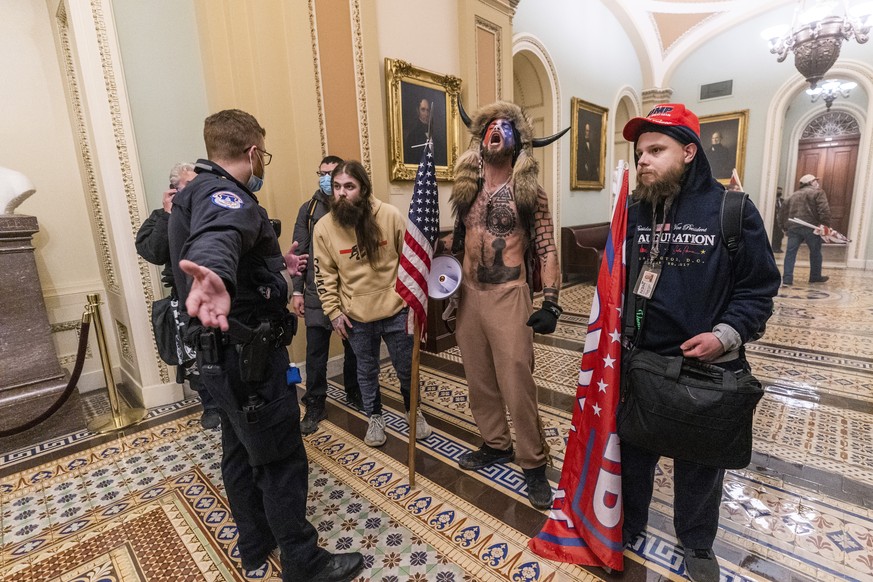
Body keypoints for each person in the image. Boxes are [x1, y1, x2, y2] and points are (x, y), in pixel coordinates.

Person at [167, 109, 363, 582]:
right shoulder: (224, 196)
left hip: (220, 360)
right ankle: (303, 561)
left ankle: (255, 545)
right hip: (249, 361)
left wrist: (278, 268)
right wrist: (214, 273)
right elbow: (220, 235)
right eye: (263, 155)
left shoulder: (189, 194)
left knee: (237, 450)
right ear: (253, 152)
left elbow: (232, 248)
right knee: (280, 460)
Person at [620, 103, 780, 582]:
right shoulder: (633, 212)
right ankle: (628, 526)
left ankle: (696, 542)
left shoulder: (731, 209)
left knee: (700, 463)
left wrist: (723, 336)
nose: (642, 160)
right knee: (634, 454)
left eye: (656, 150)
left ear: (689, 152)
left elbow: (759, 287)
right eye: (639, 151)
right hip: (642, 362)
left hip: (707, 367)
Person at [449, 101, 564, 511]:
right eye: (490, 127)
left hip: (509, 295)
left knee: (517, 383)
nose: (496, 131)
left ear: (516, 140)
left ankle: (533, 462)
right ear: (481, 138)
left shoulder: (530, 192)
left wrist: (551, 300)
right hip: (469, 296)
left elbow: (548, 246)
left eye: (505, 126)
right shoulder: (466, 189)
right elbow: (460, 241)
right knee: (479, 381)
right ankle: (495, 444)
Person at [312, 160, 431, 447]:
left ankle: (413, 411)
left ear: (363, 189)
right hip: (356, 315)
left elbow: (411, 262)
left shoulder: (389, 216)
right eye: (337, 187)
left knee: (406, 367)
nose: (341, 193)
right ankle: (374, 417)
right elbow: (323, 275)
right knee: (366, 370)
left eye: (349, 187)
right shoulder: (323, 228)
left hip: (396, 309)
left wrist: (413, 305)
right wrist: (334, 312)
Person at [135, 162, 220, 429]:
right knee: (197, 354)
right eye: (187, 186)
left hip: (217, 292)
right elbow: (153, 252)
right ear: (174, 189)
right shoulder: (163, 217)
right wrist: (168, 215)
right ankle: (210, 405)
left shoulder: (212, 208)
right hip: (185, 296)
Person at [292, 155, 363, 435]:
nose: (326, 179)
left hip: (350, 292)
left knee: (355, 349)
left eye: (331, 174)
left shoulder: (355, 208)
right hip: (316, 293)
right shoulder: (308, 210)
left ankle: (355, 391)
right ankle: (315, 403)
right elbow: (298, 252)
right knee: (315, 353)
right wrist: (296, 290)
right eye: (321, 173)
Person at [779, 174, 832, 285]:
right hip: (812, 228)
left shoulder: (791, 196)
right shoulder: (818, 193)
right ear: (810, 183)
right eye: (815, 181)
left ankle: (787, 278)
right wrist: (825, 226)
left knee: (790, 253)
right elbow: (824, 210)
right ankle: (815, 276)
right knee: (815, 252)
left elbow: (781, 214)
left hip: (794, 228)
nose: (817, 183)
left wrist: (784, 228)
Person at [403, 97, 446, 166]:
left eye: (428, 110)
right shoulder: (413, 135)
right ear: (418, 111)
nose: (426, 114)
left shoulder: (435, 135)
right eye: (423, 110)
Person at [772, 186, 784, 252]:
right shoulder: (772, 201)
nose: (779, 192)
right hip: (773, 221)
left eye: (780, 191)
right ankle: (773, 247)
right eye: (778, 191)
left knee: (780, 235)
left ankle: (778, 248)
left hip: (780, 221)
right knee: (774, 235)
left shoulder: (782, 201)